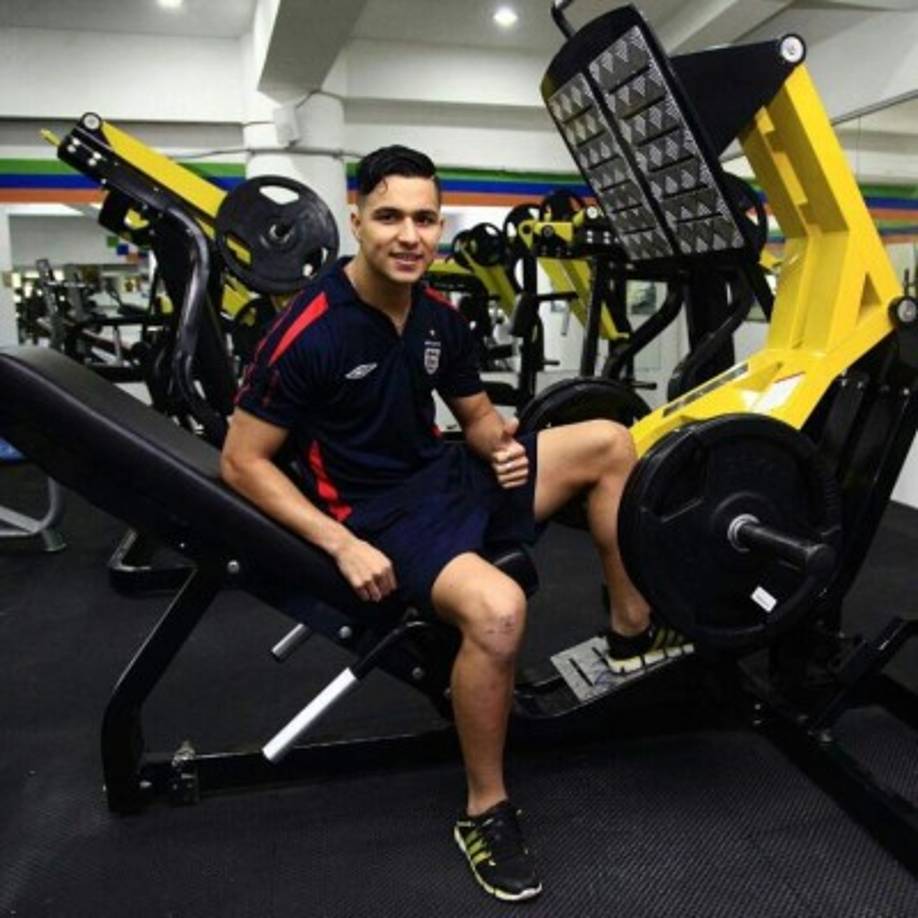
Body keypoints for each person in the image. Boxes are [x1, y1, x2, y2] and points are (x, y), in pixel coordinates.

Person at [221, 145, 682, 902]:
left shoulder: (438, 315)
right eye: (391, 216)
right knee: (501, 612)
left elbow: (473, 417)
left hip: (445, 474)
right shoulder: (307, 330)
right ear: (357, 219)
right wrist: (341, 543)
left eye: (426, 219)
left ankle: (633, 631)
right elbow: (242, 463)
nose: (411, 236)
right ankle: (485, 808)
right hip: (377, 515)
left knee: (609, 440)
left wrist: (500, 447)